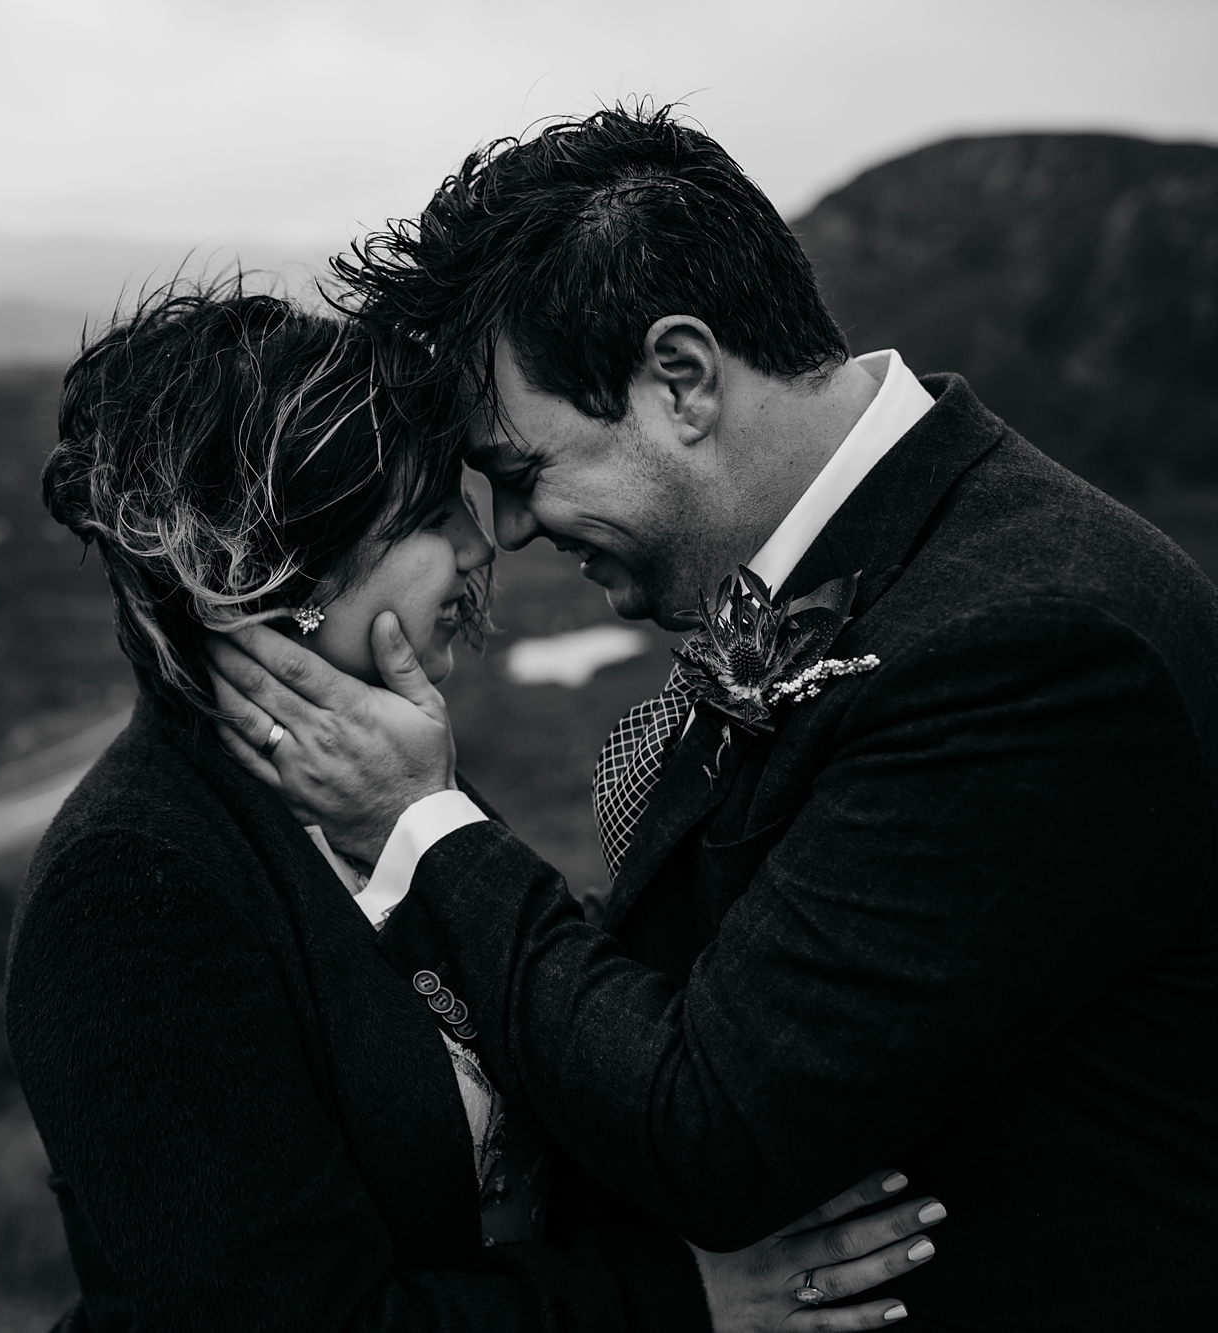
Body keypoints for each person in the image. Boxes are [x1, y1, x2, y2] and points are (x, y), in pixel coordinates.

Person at [206, 107, 1218, 1330]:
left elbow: (717, 1129)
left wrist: (421, 828)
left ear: (679, 379)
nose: (511, 532)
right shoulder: (894, 561)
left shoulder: (1030, 645)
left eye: (522, 473)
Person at [9, 284, 950, 1333]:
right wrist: (670, 1299)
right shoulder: (136, 885)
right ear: (267, 580)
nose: (477, 544)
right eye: (421, 517)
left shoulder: (378, 777)